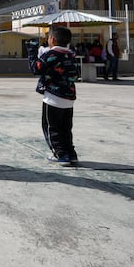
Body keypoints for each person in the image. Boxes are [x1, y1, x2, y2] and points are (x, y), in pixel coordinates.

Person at [28, 25, 79, 166]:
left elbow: (35, 68)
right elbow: (75, 74)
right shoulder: (71, 54)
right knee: (66, 128)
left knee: (52, 128)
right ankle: (71, 153)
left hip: (53, 98)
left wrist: (32, 50)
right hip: (68, 98)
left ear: (52, 39)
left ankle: (60, 154)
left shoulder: (52, 54)